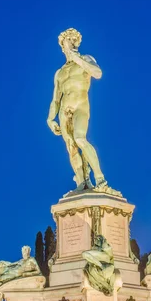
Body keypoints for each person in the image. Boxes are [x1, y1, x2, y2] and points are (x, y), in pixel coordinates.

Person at [47, 28, 119, 196]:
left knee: (80, 138)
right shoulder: (59, 73)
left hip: (80, 105)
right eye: (69, 40)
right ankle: (82, 182)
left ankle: (100, 179)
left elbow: (98, 73)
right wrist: (50, 119)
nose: (72, 43)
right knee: (71, 147)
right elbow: (56, 98)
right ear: (62, 45)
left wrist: (77, 59)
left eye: (74, 40)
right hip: (64, 109)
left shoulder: (85, 59)